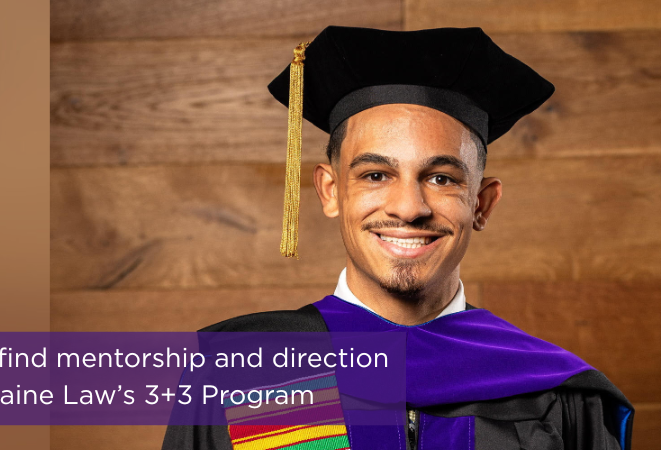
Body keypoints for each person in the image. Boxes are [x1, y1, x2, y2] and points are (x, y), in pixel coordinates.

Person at [162, 25, 633, 450]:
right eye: (375, 175)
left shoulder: (554, 391)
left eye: (442, 179)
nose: (408, 207)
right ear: (331, 191)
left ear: (482, 204)